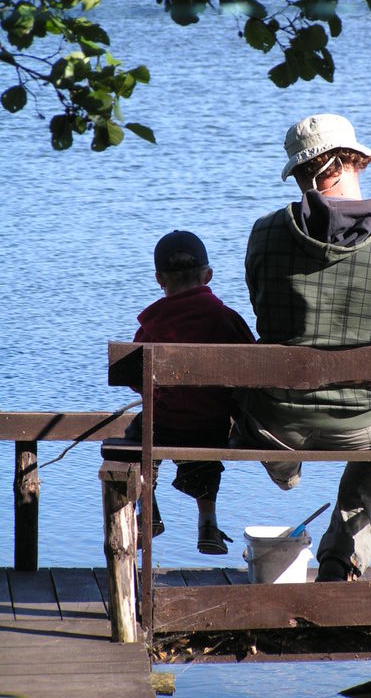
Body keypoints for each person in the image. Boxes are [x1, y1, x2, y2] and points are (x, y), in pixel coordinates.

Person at [235, 113, 371, 581]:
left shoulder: (264, 234)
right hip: (362, 427)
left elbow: (263, 313)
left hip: (277, 423)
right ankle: (342, 552)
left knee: (264, 398)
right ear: (351, 162)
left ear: (302, 173)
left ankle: (285, 467)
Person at [126, 229, 255, 555]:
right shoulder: (227, 319)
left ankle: (148, 509)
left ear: (159, 279)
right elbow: (252, 369)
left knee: (136, 435)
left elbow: (134, 378)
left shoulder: (151, 324)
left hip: (162, 425)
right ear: (208, 275)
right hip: (211, 428)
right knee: (207, 448)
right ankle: (207, 523)